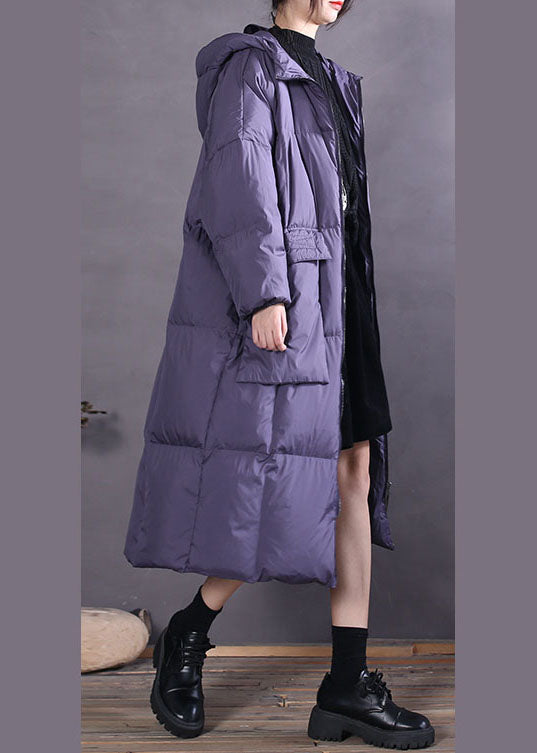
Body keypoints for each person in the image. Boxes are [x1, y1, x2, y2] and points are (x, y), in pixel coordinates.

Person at [125, 1, 435, 749]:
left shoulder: (334, 78)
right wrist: (264, 292)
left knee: (352, 471)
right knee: (275, 483)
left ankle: (346, 684)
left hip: (341, 299)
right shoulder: (251, 67)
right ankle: (190, 631)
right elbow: (238, 181)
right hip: (289, 299)